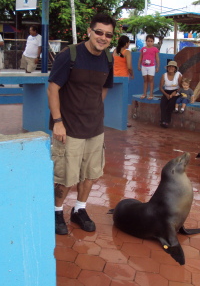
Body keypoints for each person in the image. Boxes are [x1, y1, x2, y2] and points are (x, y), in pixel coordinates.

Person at [48, 13, 116, 235]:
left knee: (90, 173)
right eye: (99, 32)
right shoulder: (70, 55)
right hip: (69, 128)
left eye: (108, 35)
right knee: (66, 175)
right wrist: (58, 122)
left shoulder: (108, 58)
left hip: (94, 128)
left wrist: (94, 108)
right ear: (89, 31)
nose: (102, 37)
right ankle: (56, 211)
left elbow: (105, 87)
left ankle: (79, 210)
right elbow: (53, 89)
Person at [113, 35, 134, 127]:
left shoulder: (114, 51)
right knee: (123, 100)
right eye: (129, 42)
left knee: (115, 100)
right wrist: (132, 74)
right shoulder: (127, 52)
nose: (129, 44)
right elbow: (129, 67)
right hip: (124, 78)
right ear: (126, 43)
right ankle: (124, 121)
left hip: (114, 77)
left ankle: (114, 119)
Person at [159, 60, 182, 128]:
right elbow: (160, 88)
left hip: (176, 92)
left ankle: (167, 121)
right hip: (166, 92)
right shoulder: (164, 75)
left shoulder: (178, 75)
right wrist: (166, 95)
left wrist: (174, 93)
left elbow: (181, 86)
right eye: (169, 67)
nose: (171, 68)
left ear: (175, 68)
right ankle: (163, 120)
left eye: (172, 67)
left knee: (171, 104)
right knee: (162, 104)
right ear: (167, 68)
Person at [137, 34, 160, 99]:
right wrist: (139, 65)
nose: (149, 42)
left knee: (151, 80)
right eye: (148, 41)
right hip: (144, 66)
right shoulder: (143, 49)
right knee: (145, 80)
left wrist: (158, 66)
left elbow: (157, 58)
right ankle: (144, 93)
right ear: (146, 41)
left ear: (153, 42)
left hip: (152, 66)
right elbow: (140, 58)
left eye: (151, 41)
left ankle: (151, 94)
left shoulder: (155, 49)